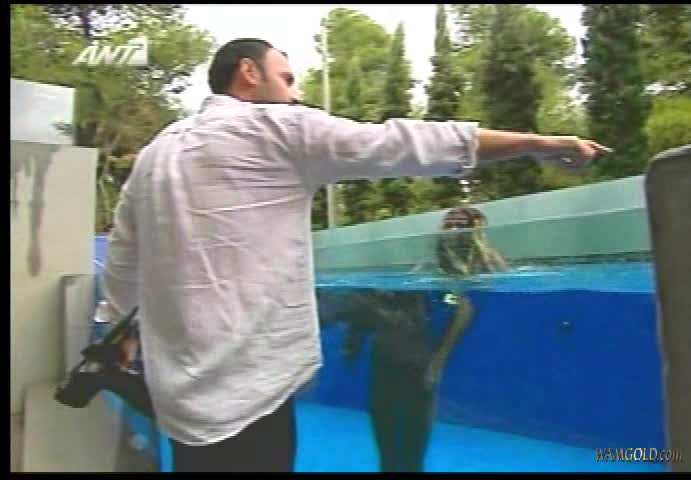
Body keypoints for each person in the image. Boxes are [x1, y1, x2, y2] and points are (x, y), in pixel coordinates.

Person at [101, 37, 610, 472]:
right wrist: (538, 143)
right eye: (287, 77)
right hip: (249, 394)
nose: (294, 93)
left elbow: (124, 254)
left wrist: (120, 335)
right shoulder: (277, 129)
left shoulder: (155, 154)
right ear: (249, 73)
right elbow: (403, 143)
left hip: (181, 400)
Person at [325, 206, 505, 472]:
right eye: (449, 222)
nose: (453, 228)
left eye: (461, 223)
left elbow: (467, 307)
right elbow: (408, 297)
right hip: (397, 356)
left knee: (410, 451)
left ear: (475, 229)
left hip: (419, 360)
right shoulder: (429, 265)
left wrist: (437, 362)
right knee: (390, 449)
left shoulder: (485, 262)